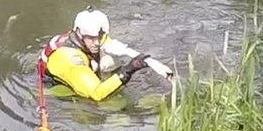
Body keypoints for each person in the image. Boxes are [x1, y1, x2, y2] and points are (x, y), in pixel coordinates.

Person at [38, 7, 173, 101]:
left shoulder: (83, 37)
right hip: (62, 87)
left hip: (79, 67)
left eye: (99, 36)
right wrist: (127, 71)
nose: (97, 43)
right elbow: (97, 94)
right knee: (109, 106)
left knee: (109, 61)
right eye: (91, 38)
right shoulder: (71, 60)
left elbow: (116, 47)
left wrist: (151, 62)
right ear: (79, 33)